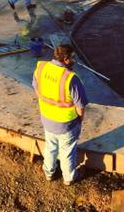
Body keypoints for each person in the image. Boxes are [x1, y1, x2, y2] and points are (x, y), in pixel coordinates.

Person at [32, 45, 88, 185]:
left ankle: (49, 173)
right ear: (66, 59)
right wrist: (79, 120)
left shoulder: (41, 68)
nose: (74, 60)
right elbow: (80, 105)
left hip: (47, 119)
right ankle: (69, 178)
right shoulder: (71, 78)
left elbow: (36, 89)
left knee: (51, 147)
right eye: (73, 57)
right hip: (67, 124)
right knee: (67, 152)